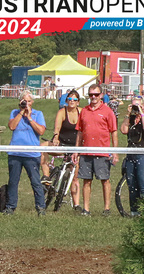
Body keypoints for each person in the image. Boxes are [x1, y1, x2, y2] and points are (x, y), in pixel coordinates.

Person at [75, 85, 119, 216]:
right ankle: (86, 209)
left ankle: (106, 209)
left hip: (102, 152)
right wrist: (76, 150)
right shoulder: (84, 111)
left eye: (96, 94)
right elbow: (80, 132)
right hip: (86, 151)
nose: (93, 97)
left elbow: (114, 133)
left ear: (101, 95)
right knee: (86, 180)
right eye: (90, 95)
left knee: (105, 180)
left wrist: (115, 152)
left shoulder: (107, 111)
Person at [4, 90, 47, 215]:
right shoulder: (14, 112)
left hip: (32, 154)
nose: (26, 103)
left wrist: (29, 118)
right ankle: (10, 206)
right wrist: (21, 112)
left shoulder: (38, 114)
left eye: (29, 101)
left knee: (35, 181)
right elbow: (12, 126)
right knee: (13, 181)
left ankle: (40, 207)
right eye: (24, 101)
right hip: (15, 153)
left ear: (32, 102)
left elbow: (41, 131)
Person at [42, 87, 82, 210]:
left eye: (74, 99)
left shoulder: (82, 112)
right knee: (42, 147)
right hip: (62, 144)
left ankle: (76, 204)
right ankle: (46, 176)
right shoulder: (62, 112)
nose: (72, 101)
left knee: (74, 177)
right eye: (69, 99)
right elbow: (57, 128)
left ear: (78, 102)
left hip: (75, 147)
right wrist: (55, 137)